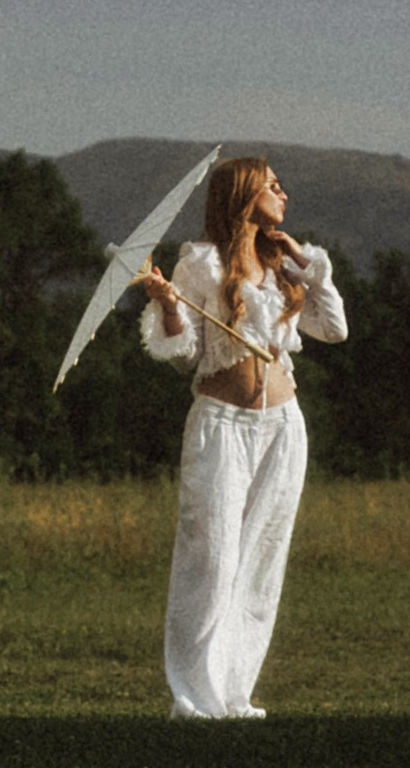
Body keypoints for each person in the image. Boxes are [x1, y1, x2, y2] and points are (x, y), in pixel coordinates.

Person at [138, 154, 347, 720]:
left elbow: (333, 329)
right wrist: (168, 307)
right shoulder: (201, 265)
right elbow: (184, 356)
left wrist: (311, 267)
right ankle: (193, 696)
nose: (283, 193)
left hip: (283, 428)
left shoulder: (282, 265)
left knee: (260, 560)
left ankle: (235, 694)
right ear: (244, 194)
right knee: (211, 558)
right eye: (272, 185)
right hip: (221, 426)